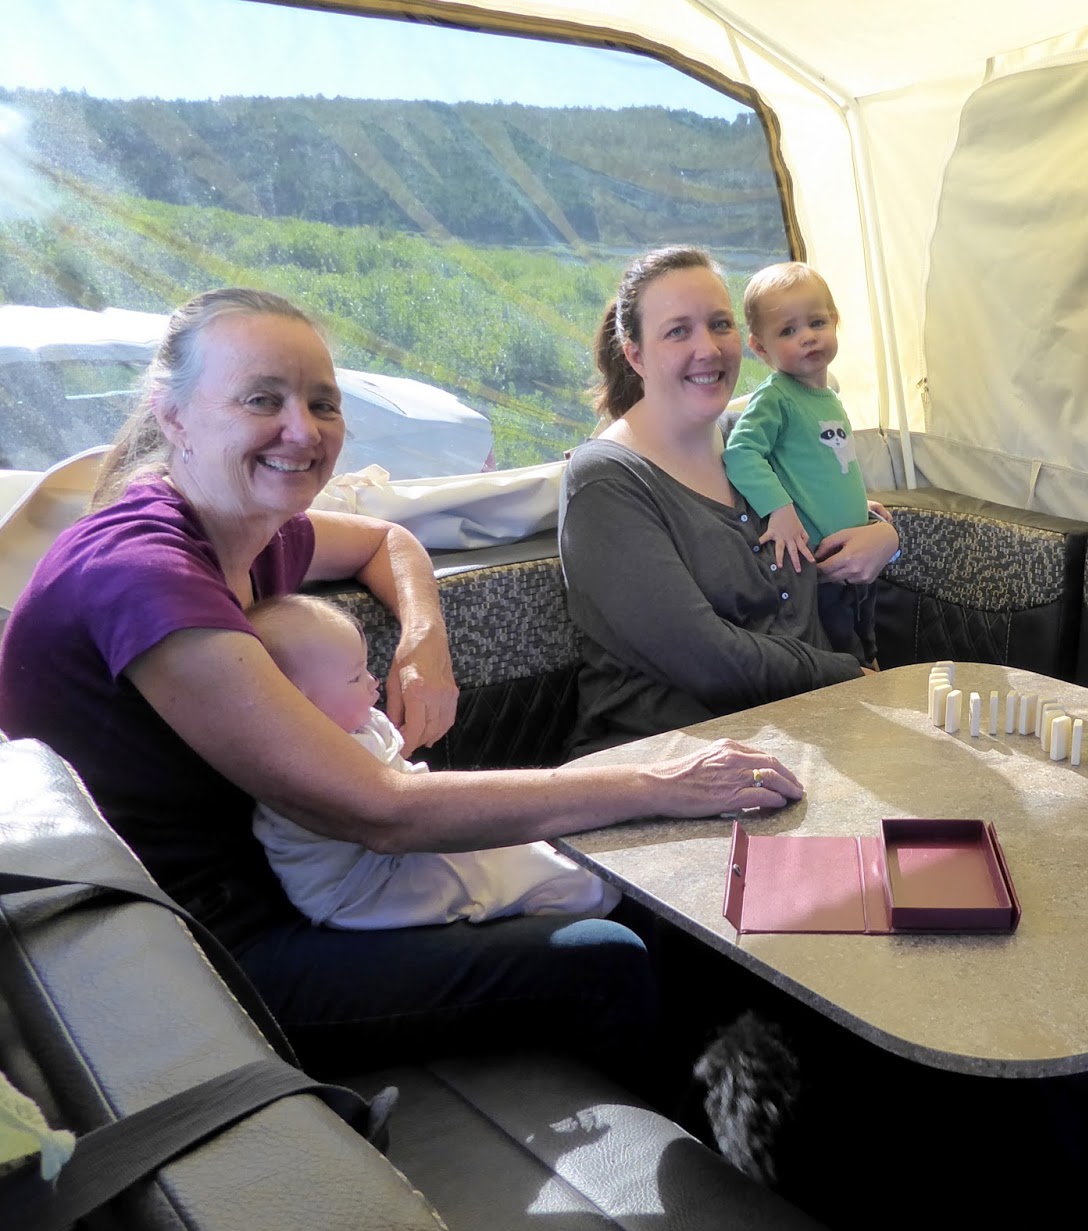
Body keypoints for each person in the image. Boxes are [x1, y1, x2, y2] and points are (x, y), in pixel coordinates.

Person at [0, 287, 802, 1076]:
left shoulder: (247, 529)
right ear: (173, 416)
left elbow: (386, 541)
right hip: (184, 952)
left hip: (288, 883)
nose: (301, 430)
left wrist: (423, 641)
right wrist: (658, 784)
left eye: (322, 403)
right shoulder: (145, 572)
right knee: (604, 956)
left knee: (634, 888)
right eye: (261, 400)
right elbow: (378, 811)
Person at [559, 246, 900, 755]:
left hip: (810, 728)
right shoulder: (605, 481)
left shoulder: (752, 443)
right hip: (673, 754)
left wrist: (888, 538)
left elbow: (841, 508)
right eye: (678, 331)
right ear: (635, 355)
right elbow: (702, 655)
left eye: (720, 325)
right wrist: (851, 677)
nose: (709, 349)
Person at [249, 593, 621, 929]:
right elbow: (396, 818)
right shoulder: (304, 759)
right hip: (360, 889)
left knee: (530, 857)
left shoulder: (351, 724)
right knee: (554, 880)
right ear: (297, 701)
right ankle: (564, 903)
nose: (373, 680)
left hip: (397, 851)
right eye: (354, 677)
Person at [723, 262, 881, 665]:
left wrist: (857, 504)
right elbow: (741, 452)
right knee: (845, 659)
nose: (808, 336)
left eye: (816, 323)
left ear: (835, 321)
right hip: (815, 565)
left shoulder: (829, 398)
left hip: (852, 556)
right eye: (788, 331)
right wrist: (779, 510)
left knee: (865, 645)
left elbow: (820, 468)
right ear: (761, 348)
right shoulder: (776, 397)